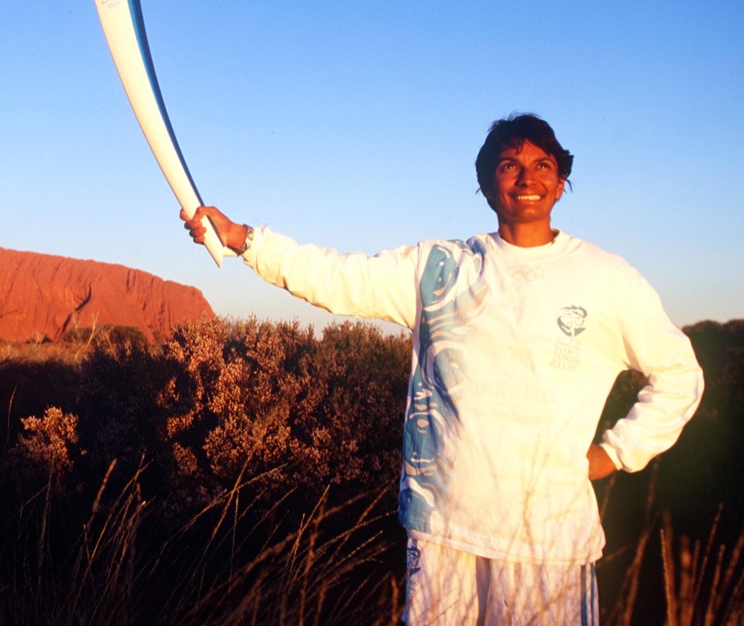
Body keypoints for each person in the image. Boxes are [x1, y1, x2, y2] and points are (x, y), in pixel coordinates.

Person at [181, 113, 703, 625]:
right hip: (443, 531)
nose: (528, 179)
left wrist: (615, 453)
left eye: (543, 166)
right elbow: (339, 277)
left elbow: (680, 375)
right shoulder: (441, 268)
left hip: (550, 543)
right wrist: (245, 239)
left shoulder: (605, 279)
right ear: (486, 184)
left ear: (561, 183)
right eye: (509, 165)